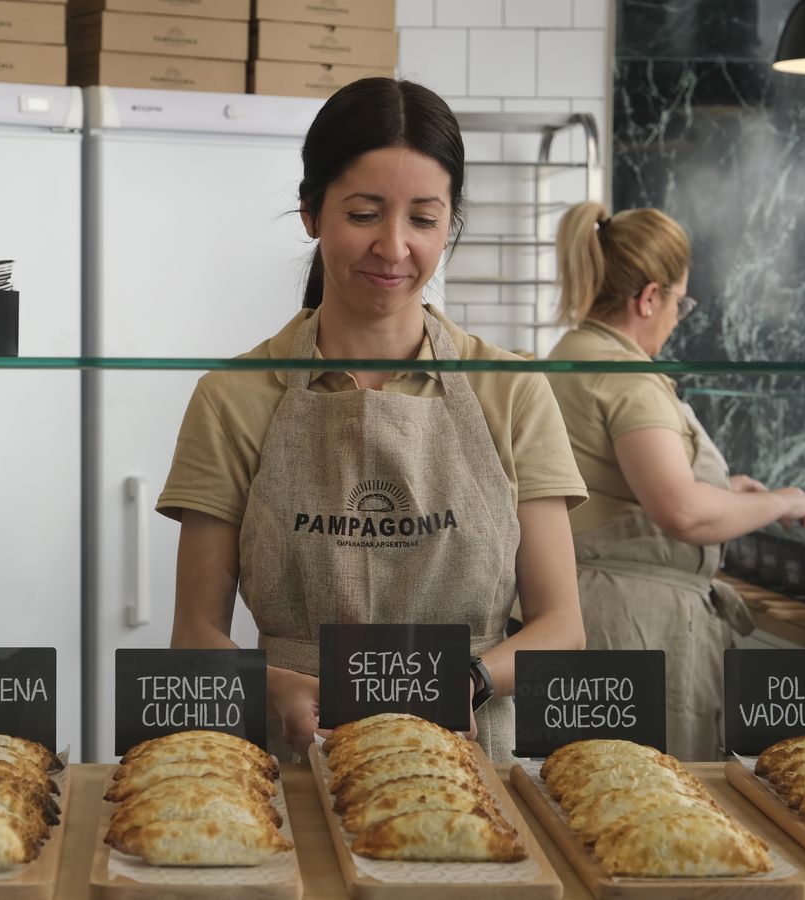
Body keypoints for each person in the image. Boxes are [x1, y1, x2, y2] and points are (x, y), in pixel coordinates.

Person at [157, 78, 589, 763]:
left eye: (422, 218)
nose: (393, 248)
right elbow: (194, 635)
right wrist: (273, 689)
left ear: (450, 223)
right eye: (364, 213)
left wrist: (472, 680)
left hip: (472, 764)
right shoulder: (233, 395)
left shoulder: (512, 390)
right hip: (293, 770)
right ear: (310, 212)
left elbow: (561, 625)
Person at [545, 202, 805, 761]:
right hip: (637, 629)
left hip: (585, 608)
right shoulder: (627, 377)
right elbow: (682, 511)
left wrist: (732, 493)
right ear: (648, 297)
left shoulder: (569, 353)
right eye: (679, 301)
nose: (677, 316)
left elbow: (624, 485)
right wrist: (780, 501)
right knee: (652, 808)